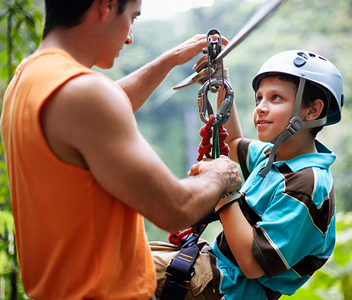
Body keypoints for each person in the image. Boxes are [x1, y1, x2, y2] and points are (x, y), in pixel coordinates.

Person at [0, 0, 242, 299]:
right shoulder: (85, 96)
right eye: (132, 17)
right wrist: (219, 174)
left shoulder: (28, 77)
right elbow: (175, 209)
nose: (129, 37)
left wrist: (170, 60)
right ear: (106, 6)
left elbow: (109, 104)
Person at [151, 49, 344, 300]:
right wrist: (222, 83)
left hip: (234, 287)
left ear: (312, 111)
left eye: (275, 98)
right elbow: (232, 143)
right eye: (259, 99)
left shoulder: (306, 184)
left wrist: (224, 189)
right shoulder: (272, 156)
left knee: (121, 269)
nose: (261, 108)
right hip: (215, 266)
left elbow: (253, 264)